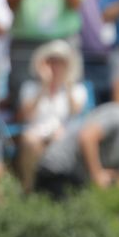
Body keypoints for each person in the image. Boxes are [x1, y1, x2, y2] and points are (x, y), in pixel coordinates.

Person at [5, 0, 88, 108]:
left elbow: (76, 3)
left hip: (63, 40)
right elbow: (10, 4)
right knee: (23, 97)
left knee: (65, 94)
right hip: (26, 42)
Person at [34, 100, 119, 199]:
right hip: (57, 171)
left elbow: (113, 172)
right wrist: (96, 174)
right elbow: (87, 137)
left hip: (76, 180)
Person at [16, 39, 88, 193]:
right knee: (31, 140)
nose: (55, 67)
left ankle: (53, 190)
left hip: (63, 137)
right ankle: (30, 188)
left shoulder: (77, 89)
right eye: (52, 62)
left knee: (59, 140)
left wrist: (66, 83)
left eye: (60, 62)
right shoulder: (30, 87)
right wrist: (44, 86)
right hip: (36, 135)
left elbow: (75, 112)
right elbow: (25, 115)